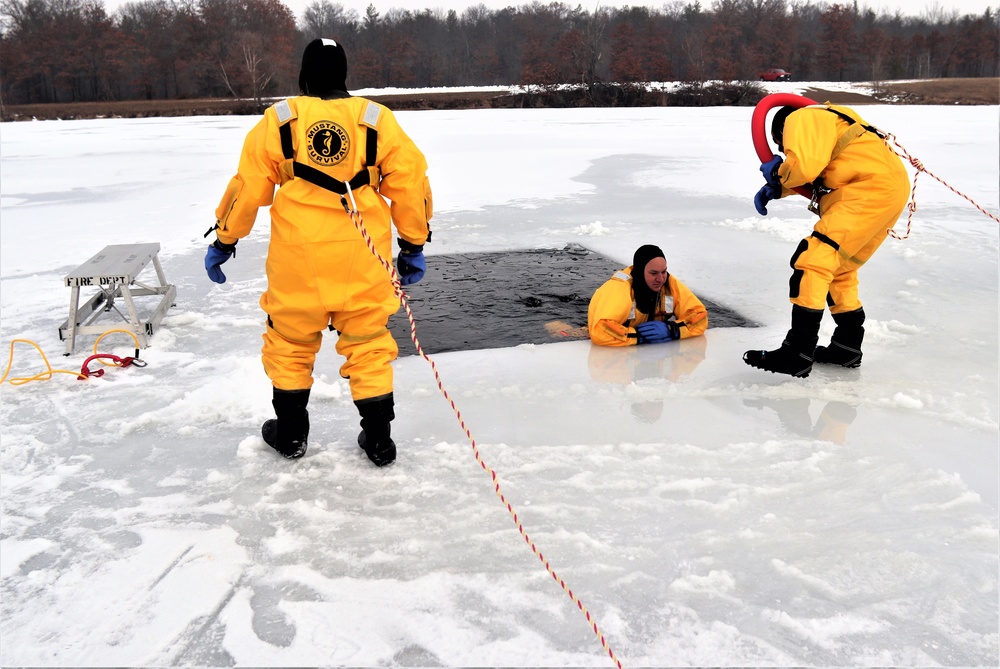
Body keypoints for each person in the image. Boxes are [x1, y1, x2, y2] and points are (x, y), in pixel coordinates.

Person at [203, 38, 433, 466]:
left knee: (289, 341)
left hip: (298, 257)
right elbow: (410, 182)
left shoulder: (280, 119)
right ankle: (379, 440)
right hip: (362, 254)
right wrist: (413, 244)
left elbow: (249, 187)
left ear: (304, 75)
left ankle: (290, 435)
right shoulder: (375, 119)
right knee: (368, 342)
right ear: (345, 75)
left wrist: (224, 239)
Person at [744, 103, 909, 377]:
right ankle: (847, 347)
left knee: (813, 260)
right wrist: (779, 189)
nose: (785, 152)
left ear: (782, 132)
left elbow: (804, 167)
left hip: (867, 189)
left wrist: (776, 172)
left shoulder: (800, 117)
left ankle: (797, 352)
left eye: (783, 147)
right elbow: (819, 170)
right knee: (840, 270)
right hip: (886, 188)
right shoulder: (831, 121)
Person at [588, 244, 708, 347]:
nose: (660, 279)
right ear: (640, 272)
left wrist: (672, 329)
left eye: (664, 272)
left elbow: (700, 316)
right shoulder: (619, 289)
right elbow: (600, 330)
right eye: (654, 273)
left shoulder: (669, 285)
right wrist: (637, 336)